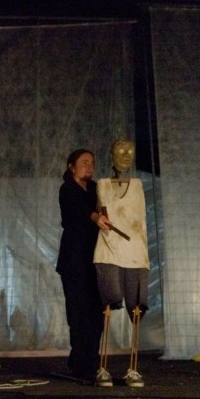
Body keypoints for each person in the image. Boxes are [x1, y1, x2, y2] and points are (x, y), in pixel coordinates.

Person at [93, 138, 150, 388]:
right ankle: (102, 367)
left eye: (130, 151)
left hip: (135, 252)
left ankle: (133, 368)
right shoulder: (103, 185)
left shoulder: (137, 186)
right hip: (108, 251)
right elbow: (100, 211)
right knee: (108, 304)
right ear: (111, 153)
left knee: (135, 307)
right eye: (120, 150)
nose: (126, 155)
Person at [56, 149, 110, 383]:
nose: (89, 166)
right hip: (74, 259)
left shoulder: (96, 188)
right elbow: (77, 209)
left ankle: (91, 359)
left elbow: (107, 205)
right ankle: (80, 361)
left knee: (96, 312)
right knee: (78, 311)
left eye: (92, 163)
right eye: (84, 162)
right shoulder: (67, 189)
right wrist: (94, 217)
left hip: (94, 258)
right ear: (72, 166)